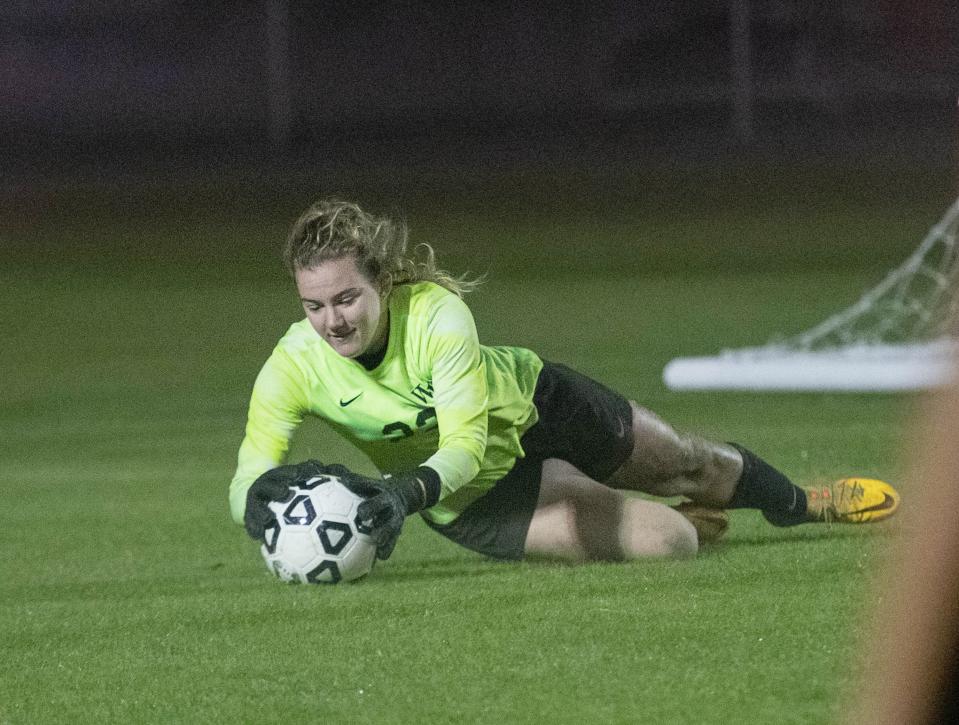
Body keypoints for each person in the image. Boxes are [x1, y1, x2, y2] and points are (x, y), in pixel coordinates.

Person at [229, 198, 901, 564]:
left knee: (686, 462)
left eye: (345, 299)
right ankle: (667, 517)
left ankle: (800, 502)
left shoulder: (435, 314)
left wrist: (404, 491)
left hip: (538, 407)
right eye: (313, 306)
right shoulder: (294, 363)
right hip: (478, 502)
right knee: (671, 543)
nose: (330, 322)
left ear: (381, 281)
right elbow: (248, 468)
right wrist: (253, 496)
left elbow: (462, 442)